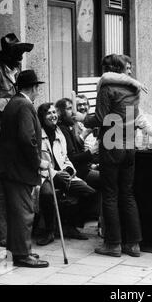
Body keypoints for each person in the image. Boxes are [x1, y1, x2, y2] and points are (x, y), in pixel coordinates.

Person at [76, 54, 143, 257]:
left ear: (110, 69)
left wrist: (81, 119)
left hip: (112, 147)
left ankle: (113, 244)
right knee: (128, 194)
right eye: (128, 68)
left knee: (111, 195)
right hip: (129, 145)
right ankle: (133, 244)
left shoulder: (107, 88)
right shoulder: (134, 89)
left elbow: (100, 118)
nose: (130, 71)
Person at [0, 33, 34, 247]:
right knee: (5, 178)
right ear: (7, 55)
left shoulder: (16, 70)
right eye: (17, 52)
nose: (20, 56)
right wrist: (13, 102)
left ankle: (2, 231)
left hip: (11, 132)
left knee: (6, 179)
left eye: (21, 52)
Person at [0, 70, 49, 268]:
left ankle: (17, 250)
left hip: (12, 168)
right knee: (24, 213)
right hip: (18, 169)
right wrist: (38, 162)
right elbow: (28, 139)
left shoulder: (15, 103)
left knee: (17, 212)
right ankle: (22, 254)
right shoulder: (24, 105)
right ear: (34, 87)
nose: (37, 92)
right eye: (37, 88)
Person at [36, 103, 97, 246]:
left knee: (90, 193)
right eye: (48, 113)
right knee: (47, 195)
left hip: (63, 174)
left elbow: (66, 158)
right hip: (45, 176)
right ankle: (49, 231)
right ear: (42, 117)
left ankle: (70, 225)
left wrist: (69, 170)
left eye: (54, 112)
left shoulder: (59, 133)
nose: (53, 116)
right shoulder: (38, 135)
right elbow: (35, 160)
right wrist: (55, 174)